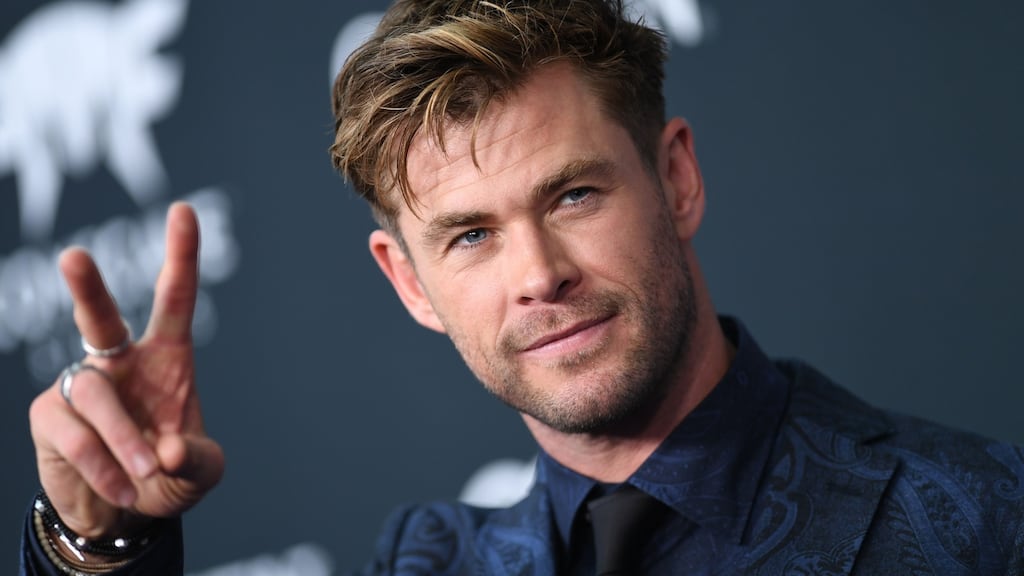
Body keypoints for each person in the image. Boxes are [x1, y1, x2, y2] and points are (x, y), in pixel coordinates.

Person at [19, 0, 1024, 574]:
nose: (538, 274)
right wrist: (105, 538)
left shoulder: (978, 523)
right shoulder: (429, 562)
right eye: (468, 236)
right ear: (409, 284)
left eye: (574, 195)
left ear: (675, 179)